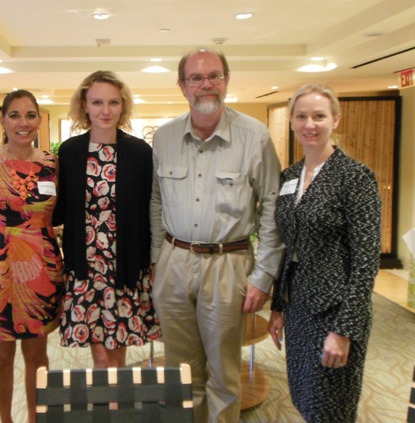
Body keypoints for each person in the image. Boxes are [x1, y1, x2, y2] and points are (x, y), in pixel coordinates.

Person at [150, 48, 284, 423]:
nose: (206, 84)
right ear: (182, 86)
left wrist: (264, 275)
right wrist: (156, 260)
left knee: (224, 375)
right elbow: (156, 203)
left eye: (214, 76)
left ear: (227, 81)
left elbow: (272, 208)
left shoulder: (254, 137)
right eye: (196, 77)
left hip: (230, 264)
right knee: (180, 373)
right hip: (174, 262)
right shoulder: (165, 137)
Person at [268, 83, 381, 423]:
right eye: (301, 116)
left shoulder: (355, 177)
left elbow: (366, 262)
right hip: (299, 306)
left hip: (335, 310)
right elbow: (287, 247)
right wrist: (278, 306)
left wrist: (344, 330)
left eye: (319, 116)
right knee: (304, 397)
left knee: (330, 406)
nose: (309, 124)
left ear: (336, 120)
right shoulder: (289, 177)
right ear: (291, 122)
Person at [0, 89, 63, 423]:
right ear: (3, 120)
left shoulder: (51, 164)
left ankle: (35, 418)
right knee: (1, 355)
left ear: (39, 120)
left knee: (37, 354)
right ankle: (5, 420)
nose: (23, 122)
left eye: (30, 115)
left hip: (40, 267)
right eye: (15, 115)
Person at [54, 70, 160, 368]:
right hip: (86, 266)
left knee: (119, 347)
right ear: (84, 105)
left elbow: (150, 210)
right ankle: (110, 407)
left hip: (125, 265)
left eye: (113, 102)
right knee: (100, 353)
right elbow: (59, 208)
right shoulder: (71, 151)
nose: (105, 110)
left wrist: (152, 260)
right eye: (97, 102)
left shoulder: (140, 152)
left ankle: (116, 406)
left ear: (122, 106)